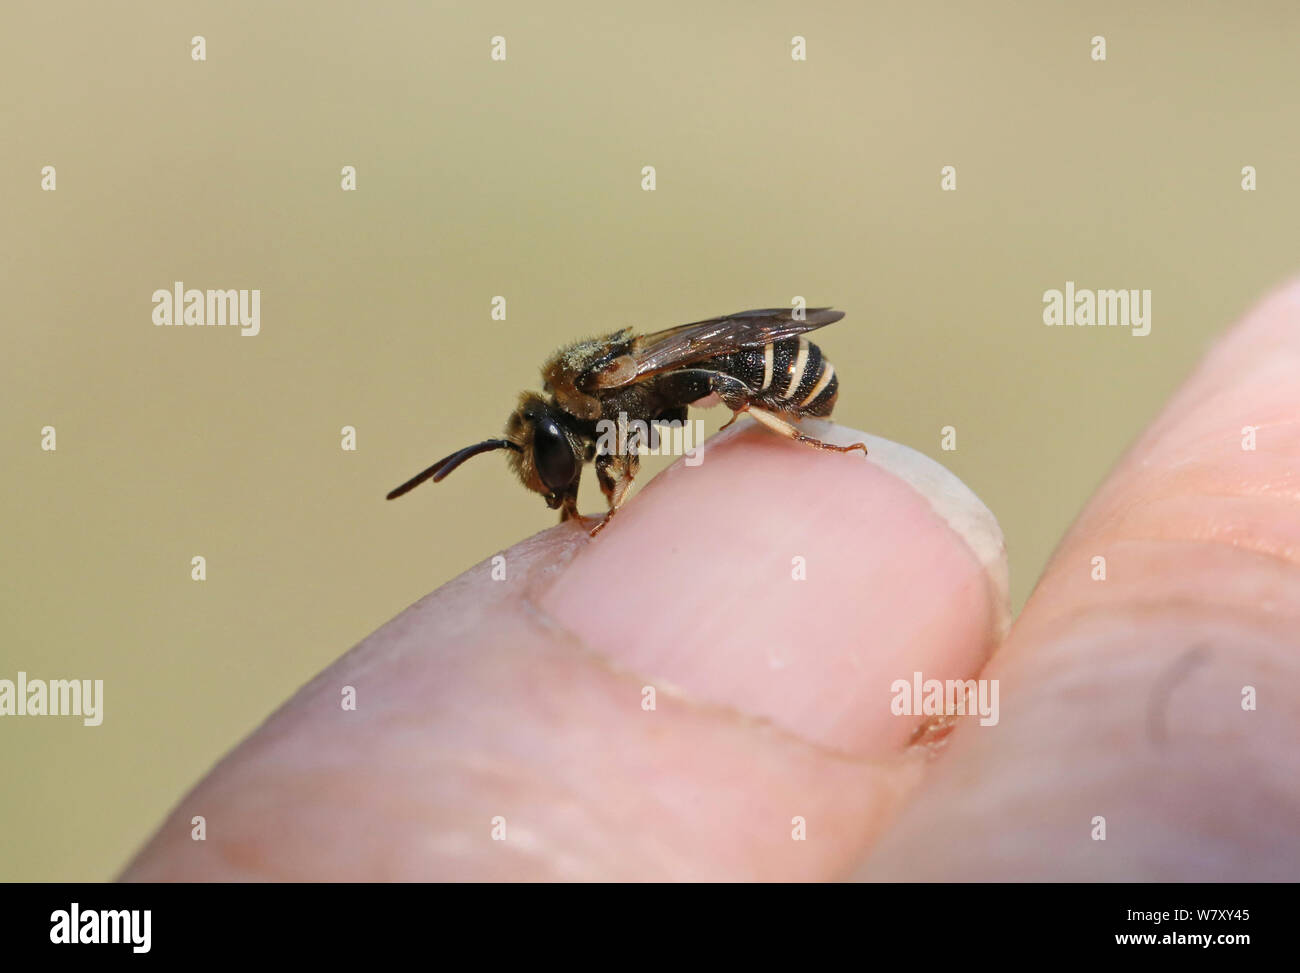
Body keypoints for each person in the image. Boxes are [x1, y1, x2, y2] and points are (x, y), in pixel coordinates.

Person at [122, 281, 1300, 881]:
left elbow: (702, 389)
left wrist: (781, 425)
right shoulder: (606, 402)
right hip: (743, 383)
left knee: (738, 406)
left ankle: (796, 459)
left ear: (565, 426)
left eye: (555, 467)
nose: (555, 482)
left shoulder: (619, 398)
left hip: (772, 380)